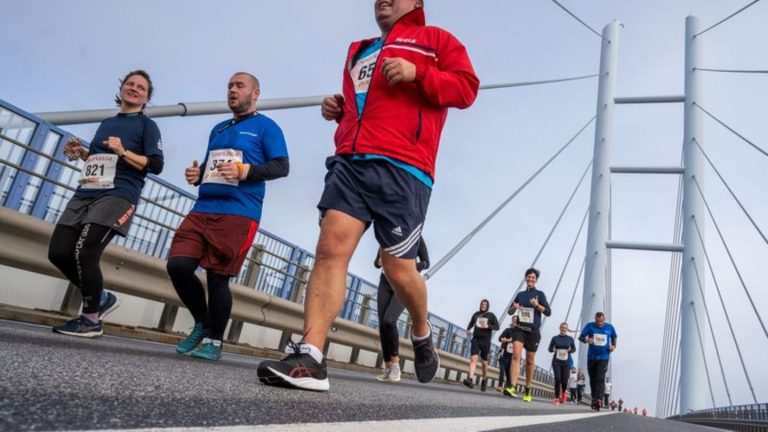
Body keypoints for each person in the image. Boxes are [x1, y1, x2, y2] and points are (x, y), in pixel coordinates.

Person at [257, 0, 479, 392]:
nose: (383, 0)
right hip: (351, 163)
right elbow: (365, 105)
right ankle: (311, 355)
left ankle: (422, 331)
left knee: (398, 270)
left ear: (417, 3)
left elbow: (466, 89)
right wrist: (339, 111)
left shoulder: (436, 40)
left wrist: (418, 72)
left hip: (404, 168)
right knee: (329, 249)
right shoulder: (359, 51)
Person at [167, 72, 289, 361]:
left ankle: (214, 341)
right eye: (230, 86)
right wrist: (198, 177)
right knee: (178, 265)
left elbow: (282, 167)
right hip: (203, 209)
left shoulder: (266, 127)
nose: (232, 90)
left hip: (238, 212)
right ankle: (202, 322)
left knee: (217, 278)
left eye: (239, 85)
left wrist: (247, 171)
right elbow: (212, 167)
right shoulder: (218, 129)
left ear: (255, 93)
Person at [49, 70, 163, 337]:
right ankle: (101, 298)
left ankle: (90, 320)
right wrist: (83, 154)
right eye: (130, 84)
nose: (134, 88)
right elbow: (104, 160)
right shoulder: (106, 123)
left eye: (141, 87)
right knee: (59, 252)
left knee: (86, 252)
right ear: (121, 88)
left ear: (146, 97)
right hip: (87, 192)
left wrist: (124, 151)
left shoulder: (147, 126)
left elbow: (156, 165)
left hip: (119, 193)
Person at [374, 238, 429, 382]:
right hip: (385, 282)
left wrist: (409, 268)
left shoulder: (416, 237)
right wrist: (380, 261)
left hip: (405, 283)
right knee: (382, 325)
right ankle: (387, 367)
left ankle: (396, 364)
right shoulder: (385, 235)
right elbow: (376, 262)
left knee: (389, 321)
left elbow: (426, 262)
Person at [504, 267, 552, 402]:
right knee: (516, 355)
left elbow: (548, 312)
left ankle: (528, 388)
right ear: (525, 278)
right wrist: (515, 307)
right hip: (519, 328)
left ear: (536, 280)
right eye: (528, 277)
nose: (530, 279)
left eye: (533, 277)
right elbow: (510, 312)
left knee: (530, 361)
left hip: (533, 332)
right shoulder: (520, 294)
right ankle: (512, 386)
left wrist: (537, 306)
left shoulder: (540, 294)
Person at [579, 311, 618, 411]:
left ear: (604, 319)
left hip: (604, 357)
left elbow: (614, 337)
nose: (599, 323)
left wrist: (613, 346)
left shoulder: (610, 327)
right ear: (594, 319)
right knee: (592, 379)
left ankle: (599, 400)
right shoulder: (590, 326)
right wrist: (587, 340)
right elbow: (581, 337)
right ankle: (594, 398)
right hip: (592, 357)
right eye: (597, 321)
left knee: (600, 378)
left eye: (601, 321)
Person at [462, 299, 500, 391]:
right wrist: (468, 329)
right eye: (482, 304)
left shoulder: (491, 315)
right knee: (473, 359)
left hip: (485, 340)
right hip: (476, 339)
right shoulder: (476, 314)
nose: (483, 305)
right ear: (480, 305)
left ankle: (484, 379)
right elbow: (471, 322)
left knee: (484, 362)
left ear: (487, 306)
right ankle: (470, 379)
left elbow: (497, 327)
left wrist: (489, 326)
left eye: (485, 304)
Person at [548, 322, 576, 405]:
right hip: (556, 361)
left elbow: (574, 349)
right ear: (560, 328)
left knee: (564, 381)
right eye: (562, 327)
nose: (564, 329)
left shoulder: (570, 339)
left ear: (567, 329)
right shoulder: (555, 338)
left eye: (565, 328)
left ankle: (563, 393)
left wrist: (570, 350)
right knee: (557, 379)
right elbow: (549, 348)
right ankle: (556, 397)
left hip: (566, 362)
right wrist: (553, 349)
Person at [497, 318, 516, 394]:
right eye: (513, 320)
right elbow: (500, 339)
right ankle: (500, 386)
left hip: (512, 356)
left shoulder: (520, 333)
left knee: (509, 373)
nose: (515, 322)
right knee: (502, 370)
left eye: (516, 321)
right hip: (504, 353)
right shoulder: (508, 330)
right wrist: (509, 340)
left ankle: (508, 388)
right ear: (512, 321)